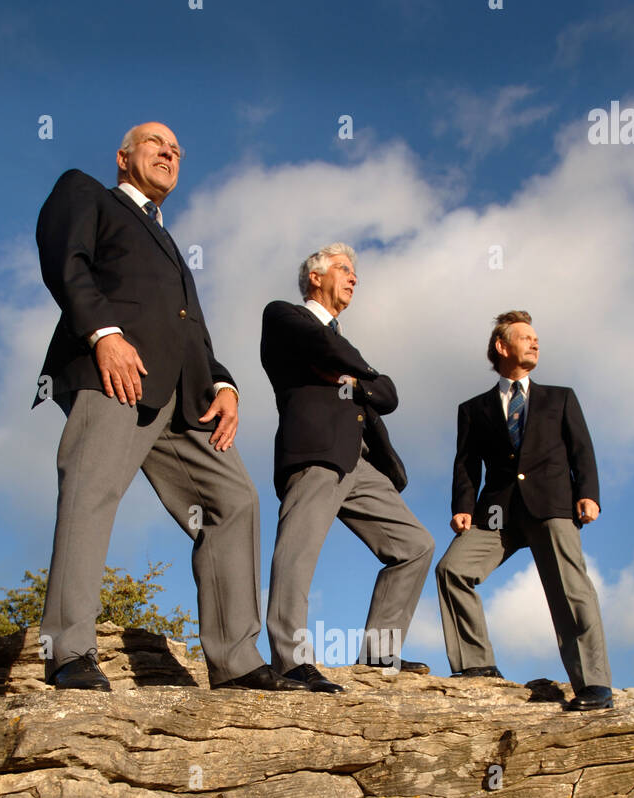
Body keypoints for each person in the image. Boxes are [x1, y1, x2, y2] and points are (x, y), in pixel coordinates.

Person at [34, 121, 305, 693]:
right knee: (91, 493)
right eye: (157, 144)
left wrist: (225, 384)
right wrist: (102, 334)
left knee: (235, 501)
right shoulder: (85, 191)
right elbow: (66, 260)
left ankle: (235, 662)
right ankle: (68, 653)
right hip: (117, 374)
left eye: (178, 149)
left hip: (186, 399)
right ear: (123, 157)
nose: (170, 153)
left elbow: (193, 329)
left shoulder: (169, 240)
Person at [260, 244, 434, 693]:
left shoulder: (341, 345)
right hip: (315, 451)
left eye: (355, 272)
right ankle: (290, 660)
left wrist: (354, 377)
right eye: (343, 269)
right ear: (315, 278)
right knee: (298, 553)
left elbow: (389, 394)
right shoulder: (285, 317)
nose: (353, 277)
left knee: (416, 545)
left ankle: (378, 655)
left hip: (360, 463)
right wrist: (362, 377)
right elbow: (323, 348)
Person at [435, 310, 613, 710]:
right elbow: (465, 464)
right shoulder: (474, 408)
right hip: (497, 512)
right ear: (502, 346)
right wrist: (463, 506)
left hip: (552, 507)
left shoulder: (560, 397)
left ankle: (594, 685)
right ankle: (476, 664)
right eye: (525, 337)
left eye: (536, 338)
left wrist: (589, 494)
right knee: (452, 570)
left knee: (571, 592)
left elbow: (582, 450)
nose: (535, 342)